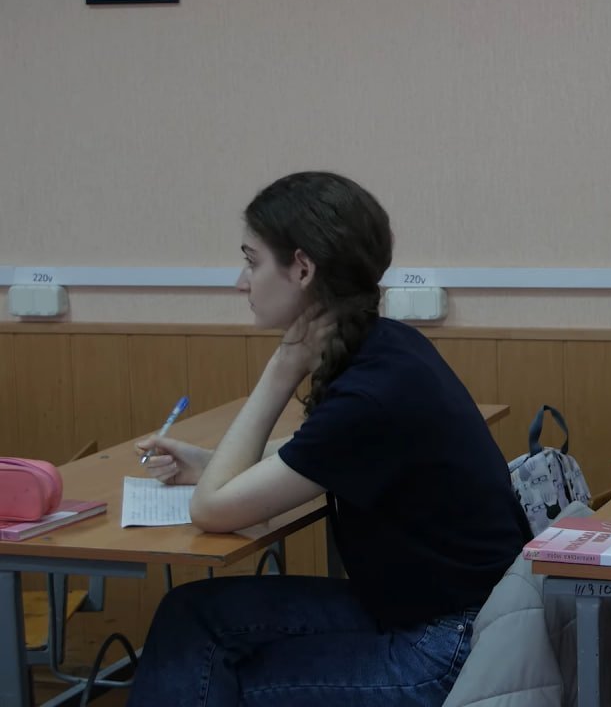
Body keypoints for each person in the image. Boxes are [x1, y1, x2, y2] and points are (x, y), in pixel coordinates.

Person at [126, 171, 533, 707]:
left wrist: (282, 366)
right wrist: (209, 462)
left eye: (251, 262)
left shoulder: (372, 393)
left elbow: (212, 510)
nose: (241, 283)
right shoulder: (388, 347)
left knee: (200, 672)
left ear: (302, 268)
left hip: (448, 647)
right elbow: (319, 455)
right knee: (190, 615)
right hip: (436, 614)